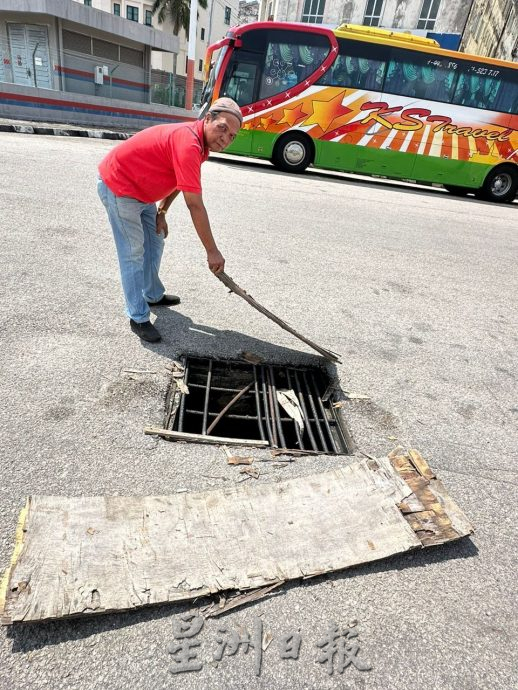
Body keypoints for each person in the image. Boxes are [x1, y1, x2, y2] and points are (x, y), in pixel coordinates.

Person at [97, 97, 243, 343]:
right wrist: (212, 252)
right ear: (207, 118)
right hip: (120, 187)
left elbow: (180, 178)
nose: (225, 138)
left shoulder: (200, 145)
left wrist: (162, 211)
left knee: (155, 241)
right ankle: (138, 316)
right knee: (132, 252)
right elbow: (194, 205)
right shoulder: (189, 142)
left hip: (142, 193)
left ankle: (152, 294)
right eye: (222, 128)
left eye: (232, 136)